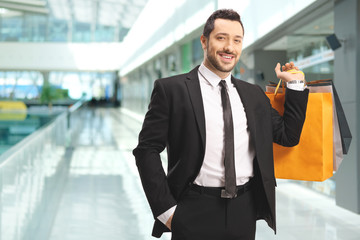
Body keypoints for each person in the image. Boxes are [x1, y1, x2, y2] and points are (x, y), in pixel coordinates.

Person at [133, 9, 309, 240]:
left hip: (244, 209)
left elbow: (288, 136)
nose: (229, 47)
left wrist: (295, 84)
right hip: (193, 207)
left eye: (237, 40)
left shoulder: (253, 94)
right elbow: (146, 150)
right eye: (221, 38)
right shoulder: (171, 90)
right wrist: (167, 211)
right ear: (204, 41)